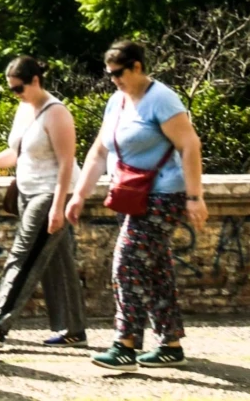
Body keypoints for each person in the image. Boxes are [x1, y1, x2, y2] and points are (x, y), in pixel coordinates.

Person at [66, 41, 209, 371]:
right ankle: (170, 345)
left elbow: (190, 145)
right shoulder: (117, 101)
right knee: (156, 270)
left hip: (163, 195)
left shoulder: (162, 99)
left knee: (126, 264)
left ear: (137, 67)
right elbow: (99, 152)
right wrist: (79, 195)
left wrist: (194, 196)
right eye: (109, 74)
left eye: (118, 73)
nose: (113, 79)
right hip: (131, 195)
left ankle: (125, 345)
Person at [0, 57, 87, 348]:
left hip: (50, 192)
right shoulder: (24, 109)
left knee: (24, 254)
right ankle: (74, 328)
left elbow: (66, 164)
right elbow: (20, 153)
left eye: (18, 88)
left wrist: (58, 207)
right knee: (58, 262)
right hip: (26, 191)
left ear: (35, 81)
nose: (15, 94)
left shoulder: (56, 113)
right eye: (11, 89)